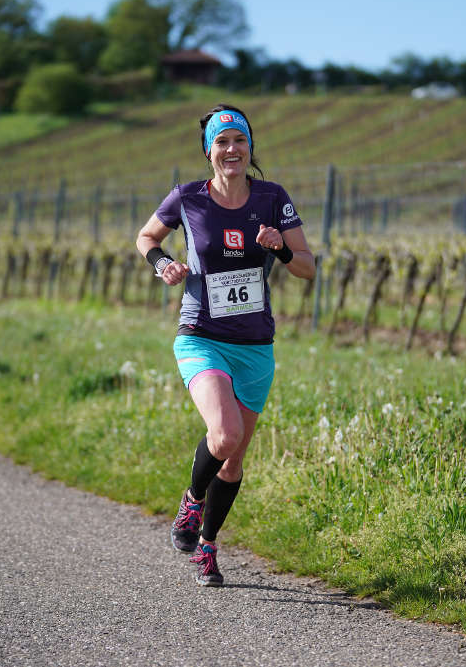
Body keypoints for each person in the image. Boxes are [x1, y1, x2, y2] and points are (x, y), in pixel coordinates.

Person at [136, 104, 315, 586]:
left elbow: (306, 266)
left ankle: (208, 548)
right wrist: (162, 264)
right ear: (208, 151)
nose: (231, 149)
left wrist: (278, 246)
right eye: (222, 142)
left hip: (256, 345)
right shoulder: (188, 197)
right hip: (201, 337)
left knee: (233, 461)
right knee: (225, 435)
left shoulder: (273, 198)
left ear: (249, 147)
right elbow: (146, 236)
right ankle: (191, 504)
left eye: (239, 140)